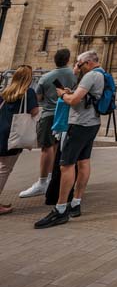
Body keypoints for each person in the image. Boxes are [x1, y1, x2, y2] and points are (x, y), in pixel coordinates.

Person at [34, 50, 105, 228]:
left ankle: (60, 209)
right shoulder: (104, 74)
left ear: (88, 63)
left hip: (80, 124)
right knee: (84, 162)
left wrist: (63, 95)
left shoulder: (90, 76)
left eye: (79, 65)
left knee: (66, 165)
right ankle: (76, 203)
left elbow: (73, 101)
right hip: (92, 123)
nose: (76, 68)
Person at [19, 48, 77, 198]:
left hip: (49, 114)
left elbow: (37, 98)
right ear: (68, 59)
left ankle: (43, 182)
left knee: (46, 148)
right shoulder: (74, 75)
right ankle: (53, 179)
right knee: (58, 147)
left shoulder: (45, 77)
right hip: (67, 114)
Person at [0, 65, 40, 214]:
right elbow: (34, 112)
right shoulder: (28, 92)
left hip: (1, 130)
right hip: (14, 133)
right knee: (5, 169)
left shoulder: (6, 91)